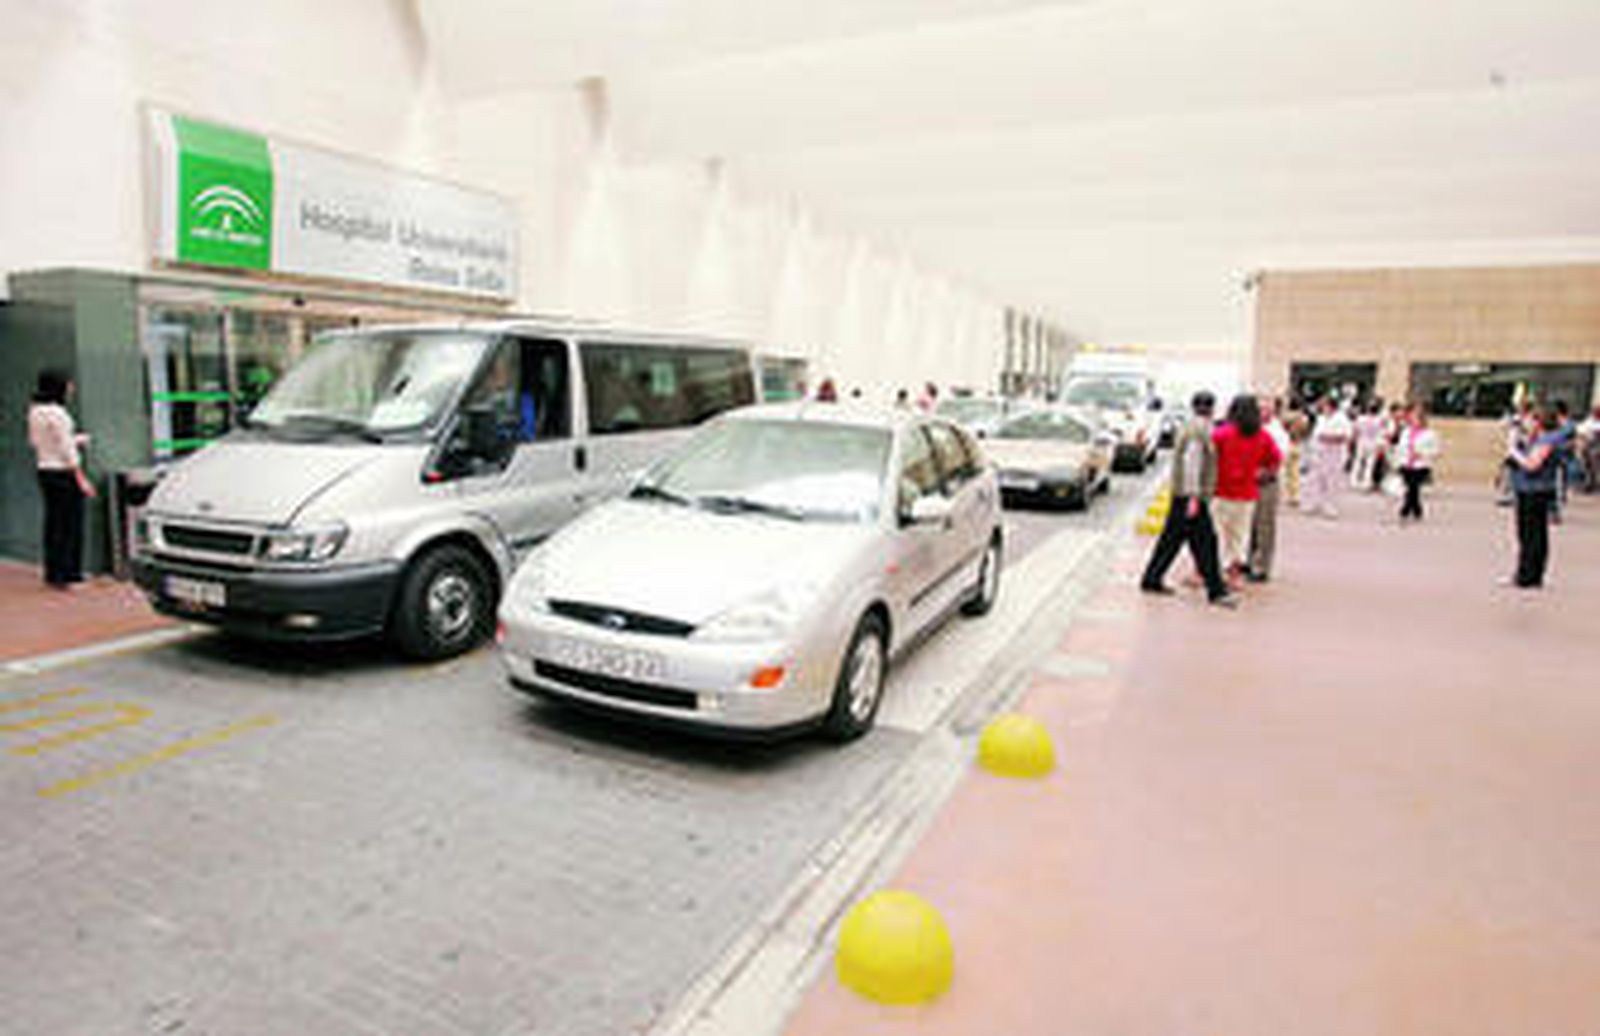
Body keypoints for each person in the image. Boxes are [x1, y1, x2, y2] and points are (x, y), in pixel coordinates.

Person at [1140, 390, 1235, 608]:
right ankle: (1216, 591)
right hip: (1191, 496)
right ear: (1211, 408)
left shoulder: (1191, 427)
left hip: (1182, 494)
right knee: (1206, 543)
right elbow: (1192, 464)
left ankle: (1152, 578)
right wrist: (1194, 497)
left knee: (1171, 540)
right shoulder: (1198, 431)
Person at [27, 369, 96, 589]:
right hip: (64, 473)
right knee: (71, 525)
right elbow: (66, 449)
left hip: (45, 470)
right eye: (68, 385)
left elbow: (41, 442)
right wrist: (81, 478)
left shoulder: (35, 412)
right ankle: (71, 575)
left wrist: (76, 439)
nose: (71, 389)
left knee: (54, 524)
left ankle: (54, 572)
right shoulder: (58, 414)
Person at [1211, 394, 1281, 586]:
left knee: (1218, 533)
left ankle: (1215, 572)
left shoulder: (1221, 434)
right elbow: (1275, 460)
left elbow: (1209, 461)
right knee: (1240, 536)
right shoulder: (1263, 436)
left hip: (1221, 491)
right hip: (1248, 493)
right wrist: (1262, 474)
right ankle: (1235, 575)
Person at [1505, 408, 1564, 589]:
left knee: (1532, 534)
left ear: (1539, 422)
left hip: (1535, 491)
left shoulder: (1547, 440)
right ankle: (1526, 573)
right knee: (1528, 533)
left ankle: (1529, 575)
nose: (1526, 424)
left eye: (1530, 420)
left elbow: (1532, 465)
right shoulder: (1537, 440)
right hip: (1528, 490)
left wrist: (1514, 452)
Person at [1247, 397, 1291, 582]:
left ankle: (1262, 567)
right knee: (1251, 525)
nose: (1261, 413)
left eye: (1265, 409)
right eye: (1259, 409)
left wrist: (1262, 472)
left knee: (1265, 525)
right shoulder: (1253, 428)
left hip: (1267, 482)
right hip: (1249, 481)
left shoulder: (1276, 432)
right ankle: (1250, 560)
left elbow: (1280, 459)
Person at [1302, 396, 1352, 517]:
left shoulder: (1341, 419)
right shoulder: (1321, 418)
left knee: (1331, 481)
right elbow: (1315, 435)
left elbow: (1346, 436)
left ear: (1331, 406)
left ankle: (1330, 506)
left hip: (1334, 454)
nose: (1322, 407)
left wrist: (1328, 438)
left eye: (1324, 405)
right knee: (1315, 479)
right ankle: (1312, 504)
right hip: (1319, 452)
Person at [1395, 404, 1440, 522]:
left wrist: (1422, 454)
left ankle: (1404, 510)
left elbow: (1435, 451)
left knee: (1412, 487)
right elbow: (1400, 447)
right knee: (1411, 488)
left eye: (1416, 418)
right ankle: (1417, 510)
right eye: (1412, 418)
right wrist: (1399, 460)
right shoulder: (1406, 432)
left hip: (1421, 465)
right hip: (1406, 463)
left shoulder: (1430, 434)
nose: (1413, 421)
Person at [1282, 399, 1311, 507]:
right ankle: (1295, 495)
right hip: (1298, 444)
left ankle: (1288, 494)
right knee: (1295, 472)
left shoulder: (1286, 416)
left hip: (1287, 443)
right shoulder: (1303, 418)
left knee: (1286, 471)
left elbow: (1283, 427)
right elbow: (1306, 431)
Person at [1351, 401, 1385, 491]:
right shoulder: (1379, 420)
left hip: (1362, 441)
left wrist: (1354, 440)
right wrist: (1380, 445)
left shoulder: (1360, 419)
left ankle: (1354, 480)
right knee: (1370, 464)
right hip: (1373, 443)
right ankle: (1366, 482)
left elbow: (1355, 430)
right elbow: (1381, 434)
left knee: (1358, 460)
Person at [1579, 404, 1600, 493]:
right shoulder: (1589, 420)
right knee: (1588, 466)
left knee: (1594, 466)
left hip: (1596, 446)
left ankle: (1592, 483)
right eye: (1595, 411)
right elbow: (1580, 430)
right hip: (1590, 446)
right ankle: (1590, 483)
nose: (1595, 413)